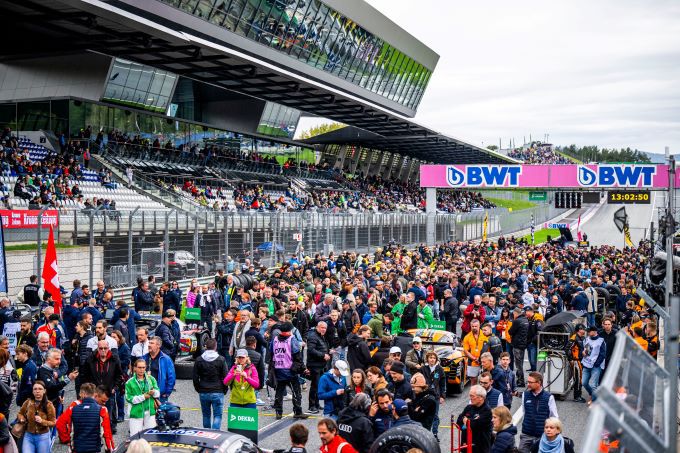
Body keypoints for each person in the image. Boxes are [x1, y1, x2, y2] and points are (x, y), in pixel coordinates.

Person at [55, 382, 115, 453]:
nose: (104, 403)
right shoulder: (102, 409)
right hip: (93, 448)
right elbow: (106, 432)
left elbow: (60, 423)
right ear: (95, 395)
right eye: (102, 401)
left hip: (76, 448)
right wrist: (110, 449)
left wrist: (67, 440)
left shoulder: (74, 406)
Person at [80, 339, 123, 434]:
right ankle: (96, 433)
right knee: (94, 414)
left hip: (108, 391)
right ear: (97, 349)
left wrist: (114, 388)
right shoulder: (90, 359)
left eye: (105, 348)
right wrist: (88, 390)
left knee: (109, 412)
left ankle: (110, 432)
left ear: (109, 348)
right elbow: (85, 376)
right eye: (101, 348)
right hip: (95, 393)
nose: (103, 350)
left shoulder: (114, 359)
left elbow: (119, 375)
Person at [268, 322, 309, 420]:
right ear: (290, 331)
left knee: (279, 391)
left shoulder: (275, 339)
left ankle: (278, 413)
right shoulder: (292, 339)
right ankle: (298, 411)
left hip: (278, 369)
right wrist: (303, 369)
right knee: (296, 392)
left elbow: (271, 352)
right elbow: (297, 356)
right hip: (290, 370)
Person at [519, 372, 558, 452]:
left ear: (539, 383)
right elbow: (524, 412)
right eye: (527, 382)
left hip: (542, 436)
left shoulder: (549, 397)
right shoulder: (525, 395)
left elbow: (554, 417)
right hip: (526, 434)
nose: (528, 384)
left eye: (530, 382)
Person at [193, 338, 228, 429]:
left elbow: (195, 377)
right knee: (217, 415)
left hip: (203, 390)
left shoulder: (199, 359)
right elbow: (225, 377)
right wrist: (225, 389)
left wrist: (198, 388)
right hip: (218, 390)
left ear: (206, 347)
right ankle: (215, 434)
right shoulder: (221, 359)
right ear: (215, 347)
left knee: (206, 415)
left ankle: (207, 434)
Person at [17, 380, 56, 453]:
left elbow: (53, 423)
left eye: (40, 389)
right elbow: (20, 413)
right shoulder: (28, 402)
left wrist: (42, 421)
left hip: (43, 437)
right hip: (28, 436)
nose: (37, 391)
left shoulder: (49, 405)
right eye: (35, 389)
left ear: (44, 391)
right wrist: (21, 418)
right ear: (32, 391)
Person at [125, 359, 160, 436]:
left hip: (150, 413)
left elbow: (158, 393)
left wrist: (154, 392)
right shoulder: (129, 382)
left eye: (143, 367)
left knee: (151, 437)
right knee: (135, 437)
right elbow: (129, 398)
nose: (142, 370)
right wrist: (143, 397)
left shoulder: (151, 379)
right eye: (139, 367)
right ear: (135, 368)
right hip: (136, 413)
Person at [456, 385, 493, 453]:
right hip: (465, 446)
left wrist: (468, 422)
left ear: (481, 398)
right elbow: (458, 421)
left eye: (472, 396)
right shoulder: (468, 407)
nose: (470, 398)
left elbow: (475, 425)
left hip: (479, 448)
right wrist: (466, 425)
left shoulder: (487, 411)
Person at [306, 321, 331, 414]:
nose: (324, 329)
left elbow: (321, 347)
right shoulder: (313, 336)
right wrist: (323, 355)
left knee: (319, 386)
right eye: (322, 327)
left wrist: (328, 351)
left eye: (325, 328)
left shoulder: (321, 336)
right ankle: (311, 406)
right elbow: (311, 350)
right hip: (314, 365)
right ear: (317, 327)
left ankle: (316, 404)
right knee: (314, 386)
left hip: (321, 365)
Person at [143, 337, 175, 403]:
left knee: (159, 413)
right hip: (145, 394)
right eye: (149, 343)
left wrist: (167, 393)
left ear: (158, 346)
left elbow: (171, 378)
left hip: (160, 395)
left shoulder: (166, 359)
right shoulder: (144, 358)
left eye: (152, 343)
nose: (149, 345)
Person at [581, 326, 606, 403]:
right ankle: (593, 394)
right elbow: (584, 349)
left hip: (596, 366)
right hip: (586, 364)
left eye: (589, 331)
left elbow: (602, 354)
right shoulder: (586, 339)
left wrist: (596, 364)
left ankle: (594, 402)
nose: (588, 333)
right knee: (584, 383)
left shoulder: (601, 341)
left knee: (593, 385)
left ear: (595, 332)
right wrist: (583, 353)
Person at [508, 308, 530, 386]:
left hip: (517, 344)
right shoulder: (525, 320)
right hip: (523, 344)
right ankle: (519, 378)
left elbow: (510, 331)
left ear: (516, 313)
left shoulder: (517, 321)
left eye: (514, 314)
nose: (513, 316)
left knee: (518, 364)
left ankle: (521, 381)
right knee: (520, 362)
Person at [463, 319, 487, 385]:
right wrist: (474, 359)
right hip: (473, 362)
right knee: (473, 381)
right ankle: (473, 395)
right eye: (472, 326)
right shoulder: (467, 337)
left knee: (485, 381)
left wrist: (483, 359)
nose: (474, 328)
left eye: (476, 326)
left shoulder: (485, 335)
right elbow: (466, 351)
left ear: (479, 326)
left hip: (485, 361)